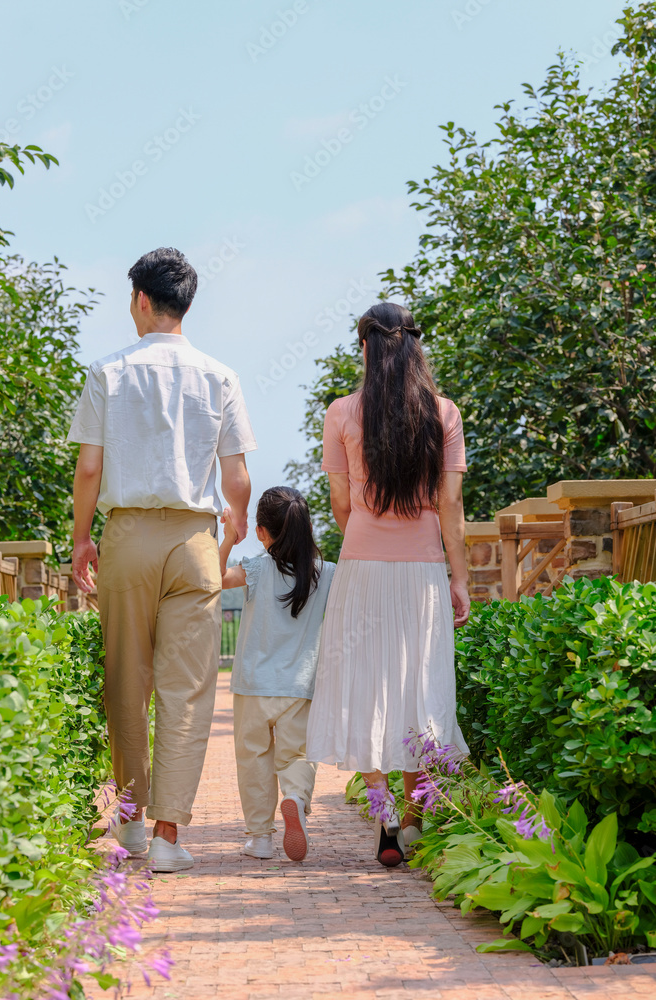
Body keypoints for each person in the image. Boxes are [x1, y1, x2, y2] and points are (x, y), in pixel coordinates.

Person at [67, 247, 256, 872]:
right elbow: (237, 478)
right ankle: (171, 836)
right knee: (188, 689)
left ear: (144, 300)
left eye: (130, 299)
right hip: (194, 542)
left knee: (127, 679)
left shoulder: (106, 372)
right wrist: (230, 532)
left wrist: (80, 539)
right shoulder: (220, 376)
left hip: (128, 536)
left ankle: (129, 825)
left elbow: (89, 467)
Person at [306, 301, 471, 868]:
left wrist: (370, 538)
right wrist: (461, 577)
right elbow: (451, 505)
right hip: (424, 571)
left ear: (366, 348)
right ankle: (418, 817)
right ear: (414, 346)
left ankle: (385, 817)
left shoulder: (342, 414)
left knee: (366, 688)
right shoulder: (443, 414)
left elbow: (341, 504)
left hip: (362, 570)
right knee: (418, 686)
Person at [219, 487, 336, 861]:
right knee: (297, 756)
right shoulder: (325, 574)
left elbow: (215, 577)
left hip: (253, 684)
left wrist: (226, 539)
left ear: (260, 531)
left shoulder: (255, 568)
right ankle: (296, 799)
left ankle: (260, 838)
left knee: (253, 759)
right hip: (299, 686)